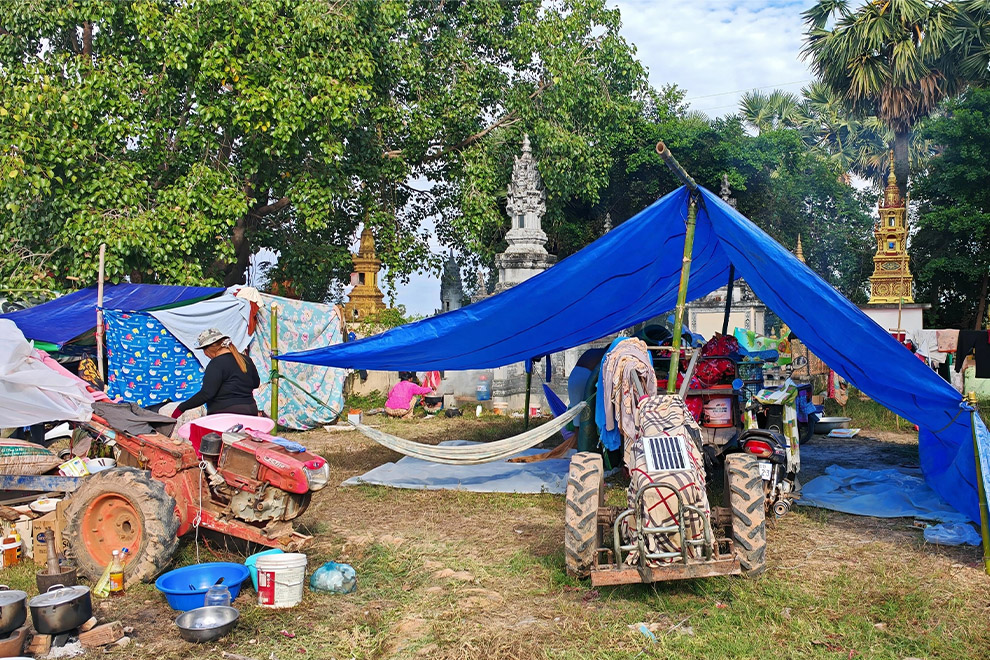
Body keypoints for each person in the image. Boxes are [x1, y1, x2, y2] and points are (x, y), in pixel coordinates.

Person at [171, 328, 261, 417]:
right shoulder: (246, 360)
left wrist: (181, 408)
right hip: (251, 411)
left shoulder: (216, 363)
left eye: (203, 350)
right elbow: (255, 383)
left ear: (208, 348)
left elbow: (206, 394)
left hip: (225, 414)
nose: (205, 354)